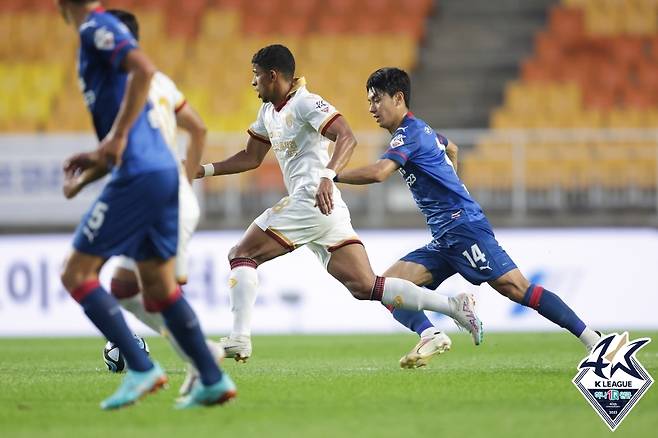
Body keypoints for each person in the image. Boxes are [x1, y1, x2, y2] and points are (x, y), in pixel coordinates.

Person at [194, 44, 483, 363]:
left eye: (256, 75)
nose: (253, 83)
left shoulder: (306, 102)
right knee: (365, 286)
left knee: (241, 254)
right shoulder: (268, 113)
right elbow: (251, 156)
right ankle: (452, 308)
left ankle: (239, 338)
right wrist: (205, 170)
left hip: (311, 198)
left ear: (273, 76)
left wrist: (327, 176)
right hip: (325, 209)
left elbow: (347, 136)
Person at [332, 67, 602, 367]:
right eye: (369, 101)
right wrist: (452, 183)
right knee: (387, 287)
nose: (371, 108)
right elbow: (452, 147)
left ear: (398, 98)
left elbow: (380, 172)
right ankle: (431, 334)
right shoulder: (421, 131)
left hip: (464, 229)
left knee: (517, 288)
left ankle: (593, 339)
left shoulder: (409, 134)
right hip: (445, 236)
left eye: (376, 99)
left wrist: (333, 175)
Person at [55, 0, 235, 409]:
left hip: (138, 175)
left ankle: (140, 366)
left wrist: (114, 140)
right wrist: (96, 162)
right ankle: (212, 376)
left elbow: (142, 67)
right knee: (155, 287)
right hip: (161, 175)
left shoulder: (95, 29)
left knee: (75, 273)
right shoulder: (135, 79)